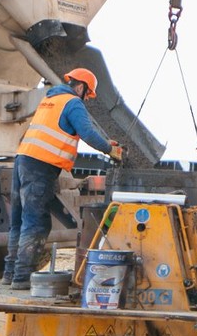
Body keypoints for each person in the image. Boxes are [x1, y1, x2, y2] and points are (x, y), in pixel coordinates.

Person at [8, 67, 122, 289]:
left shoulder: (50, 99)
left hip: (23, 160)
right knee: (37, 223)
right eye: (87, 95)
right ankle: (21, 278)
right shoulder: (73, 103)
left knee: (19, 221)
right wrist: (109, 149)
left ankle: (9, 274)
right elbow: (87, 133)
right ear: (80, 87)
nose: (85, 100)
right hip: (40, 166)